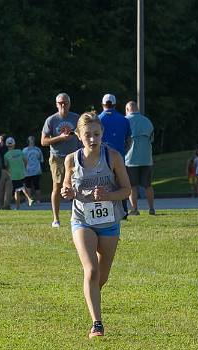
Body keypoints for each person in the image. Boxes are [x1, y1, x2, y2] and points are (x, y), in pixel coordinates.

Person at [60, 112, 131, 338]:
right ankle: (97, 324)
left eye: (97, 134)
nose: (93, 139)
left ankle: (91, 298)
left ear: (102, 135)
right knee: (90, 270)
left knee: (102, 275)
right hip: (82, 219)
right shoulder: (71, 160)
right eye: (88, 135)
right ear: (79, 136)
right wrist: (67, 192)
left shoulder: (113, 157)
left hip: (109, 222)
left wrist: (109, 195)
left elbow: (127, 190)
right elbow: (66, 188)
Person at [42, 93, 81, 227]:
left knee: (77, 186)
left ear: (69, 104)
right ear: (56, 104)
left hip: (74, 156)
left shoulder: (76, 118)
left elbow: (82, 136)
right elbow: (43, 141)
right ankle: (56, 219)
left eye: (65, 102)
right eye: (60, 103)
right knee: (57, 187)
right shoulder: (51, 120)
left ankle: (77, 217)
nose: (63, 105)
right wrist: (60, 138)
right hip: (57, 157)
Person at [98, 94, 132, 218]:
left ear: (103, 104)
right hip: (119, 157)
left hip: (102, 157)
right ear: (115, 105)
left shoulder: (97, 119)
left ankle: (106, 212)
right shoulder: (124, 120)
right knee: (121, 184)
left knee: (105, 184)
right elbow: (129, 140)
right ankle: (123, 211)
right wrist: (124, 152)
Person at [124, 101, 156, 215]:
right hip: (147, 158)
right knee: (148, 185)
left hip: (130, 159)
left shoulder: (125, 121)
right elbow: (152, 139)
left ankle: (134, 209)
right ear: (137, 109)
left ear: (127, 110)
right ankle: (151, 209)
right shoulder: (147, 121)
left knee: (132, 186)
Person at [4, 137, 35, 209]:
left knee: (19, 188)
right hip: (22, 173)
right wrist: (24, 168)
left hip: (13, 174)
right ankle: (18, 207)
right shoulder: (19, 151)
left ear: (7, 145)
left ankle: (29, 199)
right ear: (14, 144)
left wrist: (8, 172)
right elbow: (26, 160)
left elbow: (6, 166)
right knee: (17, 190)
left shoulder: (6, 155)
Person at [23, 136, 44, 202]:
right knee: (28, 186)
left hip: (36, 171)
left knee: (37, 186)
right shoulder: (24, 150)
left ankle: (38, 200)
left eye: (32, 139)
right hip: (27, 171)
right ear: (28, 141)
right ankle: (28, 200)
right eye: (30, 139)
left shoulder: (38, 149)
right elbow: (22, 161)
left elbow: (41, 160)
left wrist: (41, 169)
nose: (31, 140)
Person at [0, 134, 12, 209]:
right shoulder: (10, 148)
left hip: (1, 170)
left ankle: (0, 204)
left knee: (0, 188)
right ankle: (6, 204)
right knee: (8, 188)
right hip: (10, 169)